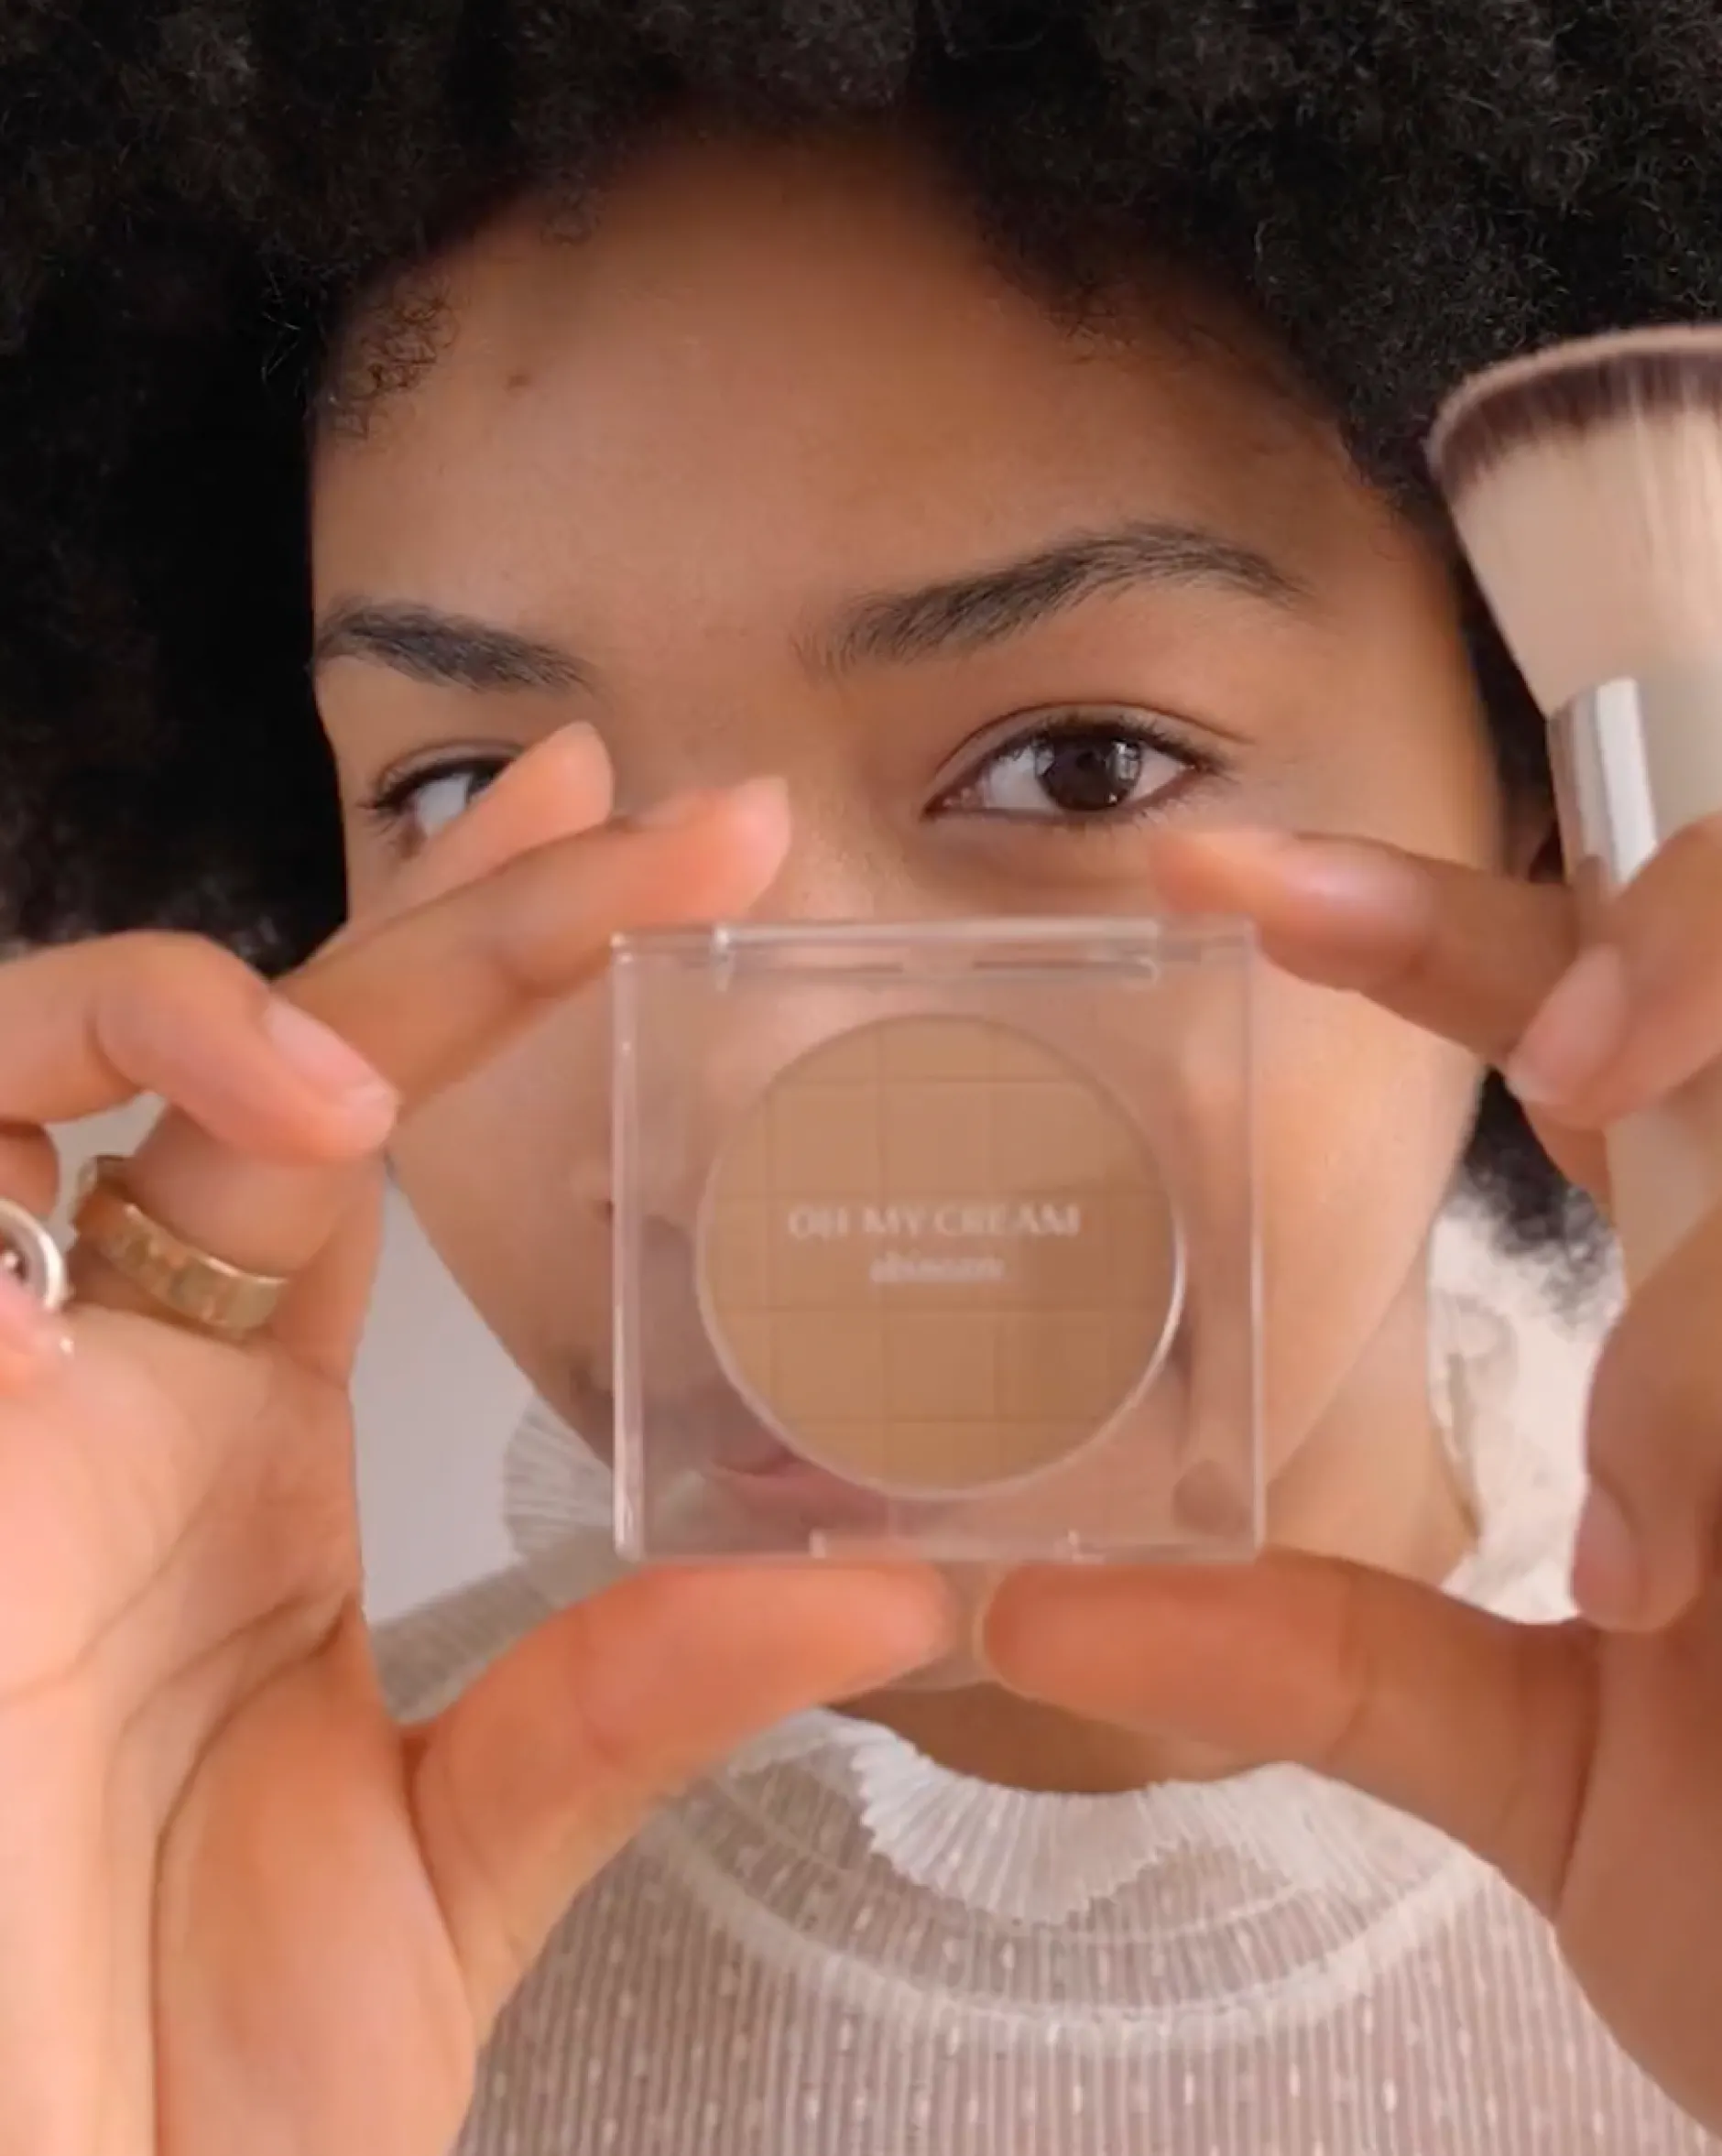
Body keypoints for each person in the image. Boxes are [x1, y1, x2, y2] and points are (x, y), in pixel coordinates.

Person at [2, 3, 1722, 2151]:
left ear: (1537, 794)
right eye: (470, 803)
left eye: (1075, 766)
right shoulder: (147, 1907)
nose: (740, 1123)